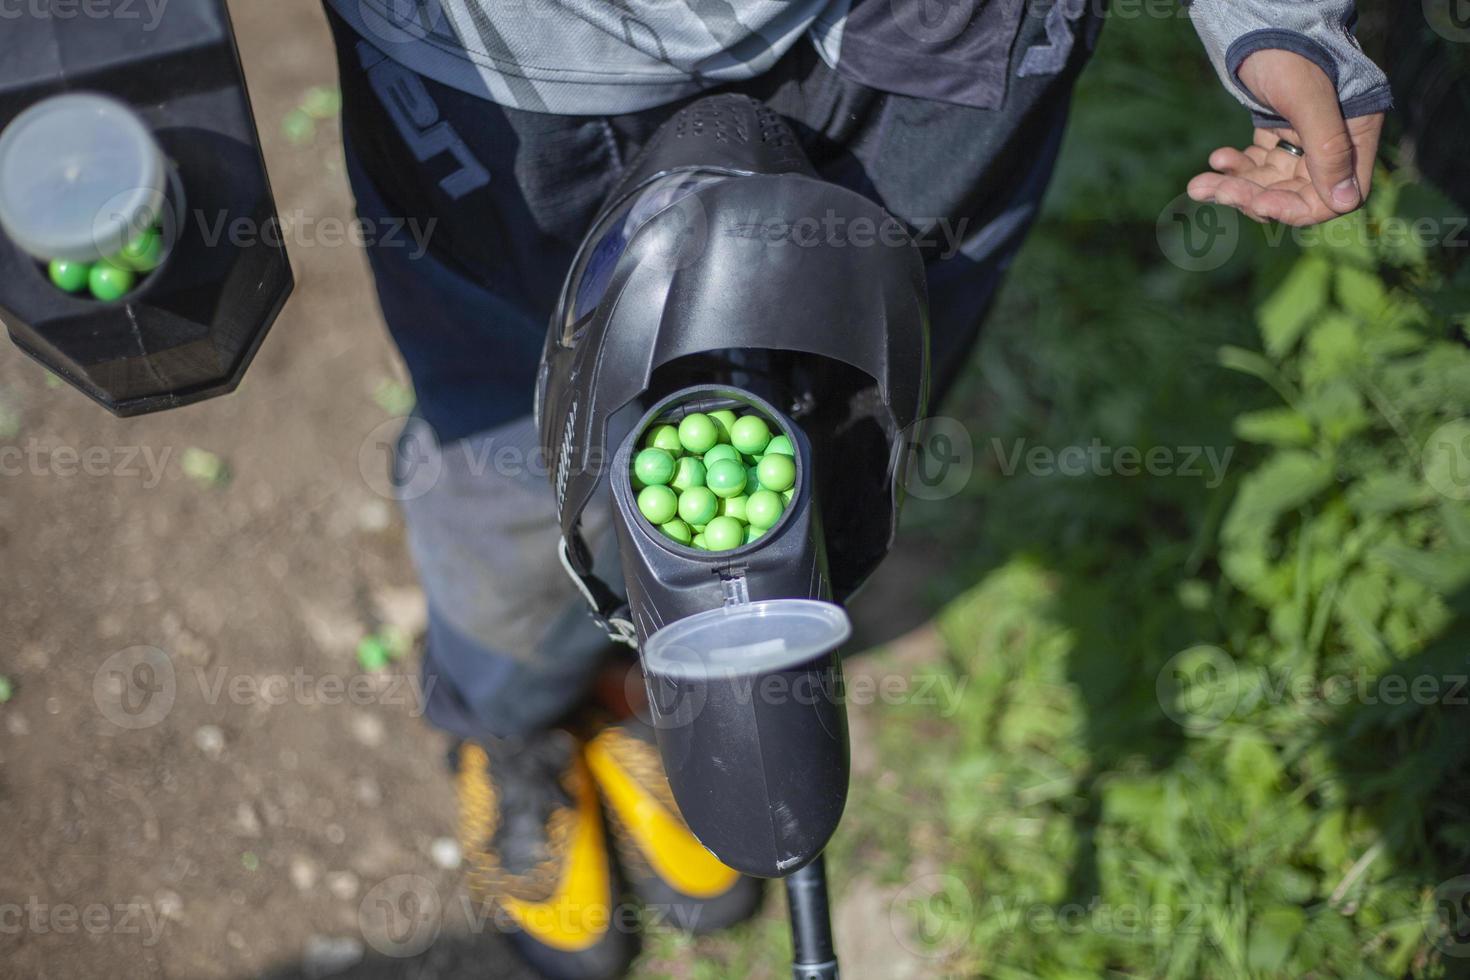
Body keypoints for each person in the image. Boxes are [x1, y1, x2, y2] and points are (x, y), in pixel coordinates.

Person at [321, 1, 1389, 976]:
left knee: (839, 432)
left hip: (938, 49)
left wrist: (1277, 19)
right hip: (516, 69)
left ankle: (654, 681)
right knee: (517, 449)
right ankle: (514, 721)